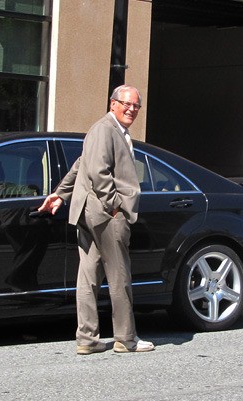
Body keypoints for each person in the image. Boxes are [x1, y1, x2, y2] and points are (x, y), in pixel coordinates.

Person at [37, 85, 155, 354]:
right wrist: (115, 206)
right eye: (126, 104)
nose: (132, 110)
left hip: (87, 211)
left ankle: (87, 339)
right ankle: (126, 339)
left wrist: (59, 194)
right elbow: (99, 171)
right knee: (119, 275)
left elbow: (81, 164)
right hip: (104, 213)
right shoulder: (105, 129)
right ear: (113, 103)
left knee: (88, 277)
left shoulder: (107, 130)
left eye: (136, 106)